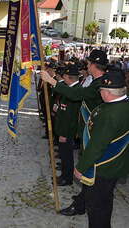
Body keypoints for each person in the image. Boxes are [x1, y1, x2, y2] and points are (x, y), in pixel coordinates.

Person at [41, 49, 108, 216]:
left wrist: (51, 81)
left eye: (88, 62)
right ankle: (81, 202)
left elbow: (77, 94)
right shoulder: (98, 81)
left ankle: (83, 204)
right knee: (91, 175)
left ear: (93, 65)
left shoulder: (100, 83)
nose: (86, 65)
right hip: (90, 131)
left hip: (95, 133)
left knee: (91, 172)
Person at [74, 71, 129, 228]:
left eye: (101, 90)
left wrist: (81, 167)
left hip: (102, 168)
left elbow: (97, 146)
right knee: (105, 203)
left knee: (96, 208)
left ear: (107, 92)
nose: (100, 93)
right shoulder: (123, 105)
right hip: (116, 165)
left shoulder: (110, 114)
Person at [54, 64, 81, 186]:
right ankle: (64, 175)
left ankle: (67, 178)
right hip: (63, 129)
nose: (63, 77)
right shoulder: (69, 89)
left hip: (67, 132)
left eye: (64, 76)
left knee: (67, 156)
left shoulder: (75, 92)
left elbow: (71, 117)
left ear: (69, 77)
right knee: (64, 155)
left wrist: (64, 134)